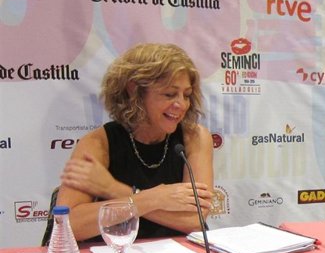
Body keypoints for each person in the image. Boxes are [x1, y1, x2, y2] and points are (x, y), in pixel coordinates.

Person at [56, 43, 214, 241]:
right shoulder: (97, 143)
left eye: (187, 95)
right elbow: (68, 225)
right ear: (134, 90)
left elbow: (195, 219)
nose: (181, 104)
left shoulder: (195, 137)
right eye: (169, 94)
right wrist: (154, 199)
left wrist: (113, 189)